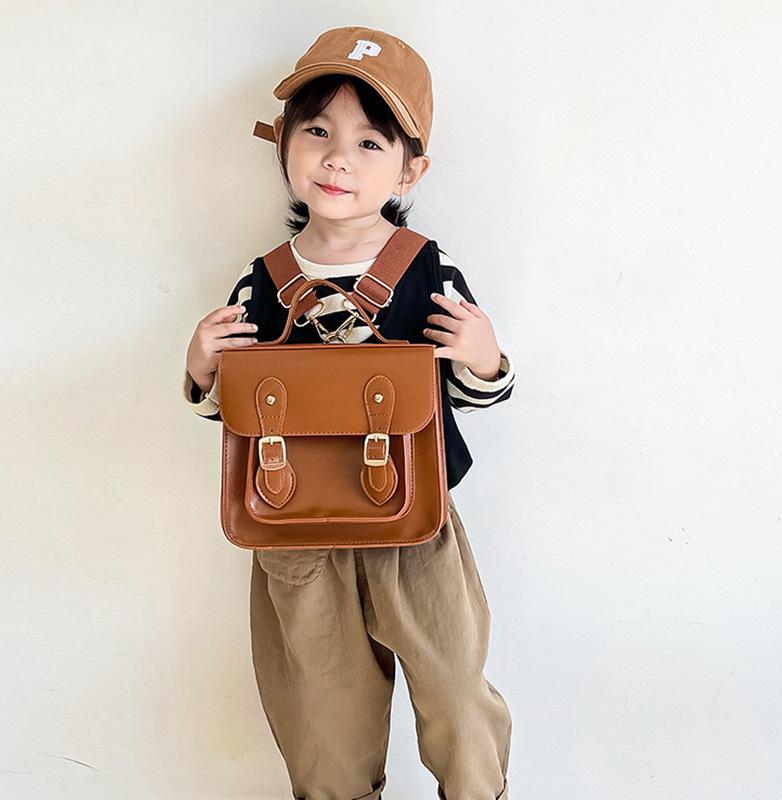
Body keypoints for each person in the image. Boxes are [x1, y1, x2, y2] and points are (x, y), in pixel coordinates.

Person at [183, 26, 515, 800]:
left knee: (457, 697)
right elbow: (237, 413)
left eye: (370, 142)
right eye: (317, 132)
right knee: (322, 720)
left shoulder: (429, 269)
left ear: (410, 168)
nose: (338, 158)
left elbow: (473, 393)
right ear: (284, 144)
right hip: (296, 532)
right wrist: (202, 370)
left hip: (419, 526)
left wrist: (485, 358)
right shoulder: (261, 281)